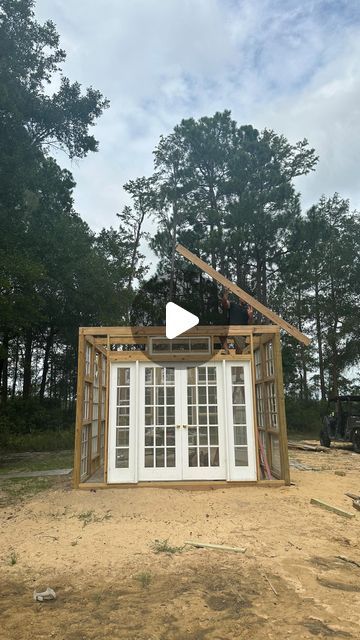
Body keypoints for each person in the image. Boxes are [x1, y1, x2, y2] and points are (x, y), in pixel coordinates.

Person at [220, 288, 253, 353]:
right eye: (242, 297)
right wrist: (226, 294)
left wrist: (250, 316)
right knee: (221, 333)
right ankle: (227, 351)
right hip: (231, 330)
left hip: (241, 333)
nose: (244, 299)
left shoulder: (248, 309)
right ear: (239, 298)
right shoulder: (233, 305)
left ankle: (237, 355)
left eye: (245, 297)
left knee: (239, 352)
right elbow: (224, 303)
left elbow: (250, 324)